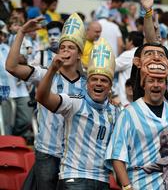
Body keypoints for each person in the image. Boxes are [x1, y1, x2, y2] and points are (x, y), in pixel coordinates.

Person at [6, 13, 86, 190]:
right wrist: (21, 33)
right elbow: (11, 67)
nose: (65, 50)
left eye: (71, 47)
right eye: (62, 47)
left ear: (79, 54)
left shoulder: (87, 84)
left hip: (74, 158)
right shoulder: (44, 74)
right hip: (47, 153)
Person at [36, 37, 118, 190]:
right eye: (94, 79)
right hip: (73, 178)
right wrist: (52, 69)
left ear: (110, 86)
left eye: (104, 80)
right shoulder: (74, 102)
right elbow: (41, 97)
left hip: (102, 180)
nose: (99, 83)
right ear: (87, 84)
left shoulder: (116, 111)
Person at [106, 42, 168, 190]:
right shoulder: (129, 114)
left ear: (166, 85)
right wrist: (127, 187)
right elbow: (117, 156)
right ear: (143, 84)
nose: (156, 85)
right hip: (138, 184)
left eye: (160, 81)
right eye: (151, 81)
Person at [115, 31, 144, 106]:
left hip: (126, 101)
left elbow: (111, 66)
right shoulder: (144, 54)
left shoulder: (128, 54)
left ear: (131, 42)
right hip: (140, 99)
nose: (125, 44)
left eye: (127, 41)